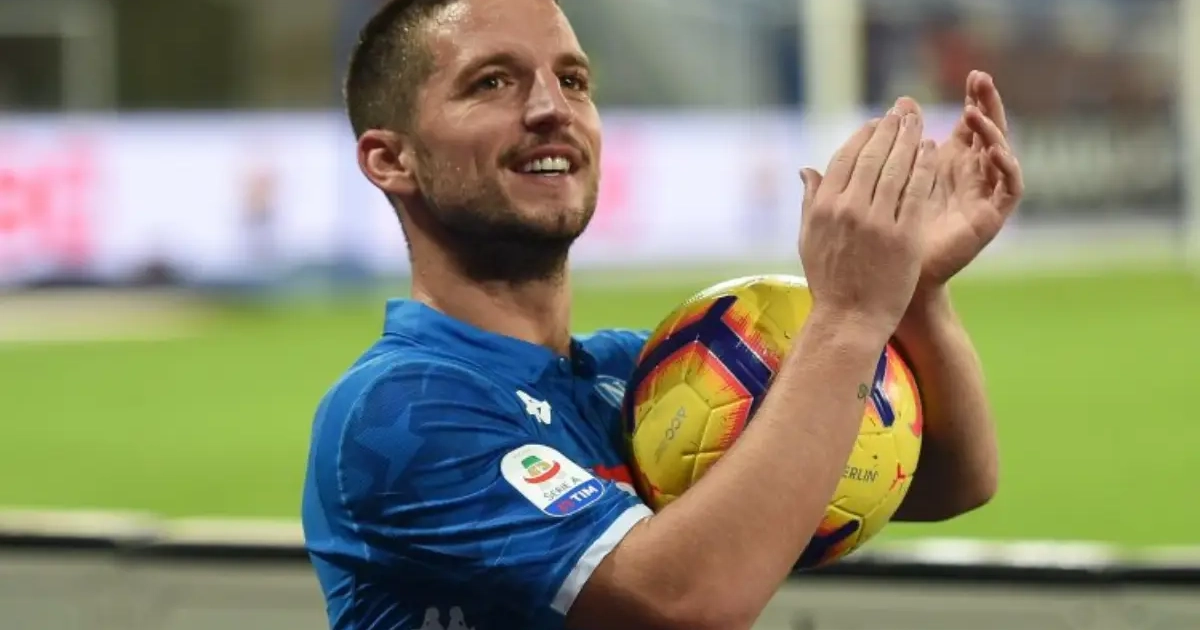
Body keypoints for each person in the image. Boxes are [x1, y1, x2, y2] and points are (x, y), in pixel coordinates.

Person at [300, 0, 1024, 628]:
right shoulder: (398, 410)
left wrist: (916, 291)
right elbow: (682, 604)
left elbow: (946, 478)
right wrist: (848, 319)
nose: (552, 108)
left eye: (573, 80)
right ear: (390, 160)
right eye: (492, 82)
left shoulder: (647, 374)